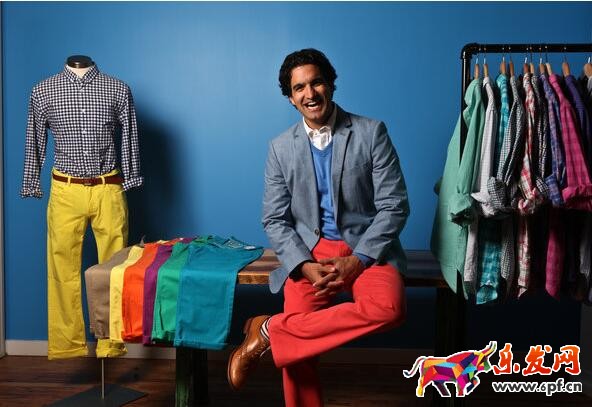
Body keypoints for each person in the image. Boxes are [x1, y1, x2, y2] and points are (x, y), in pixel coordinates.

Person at [227, 48, 409, 406]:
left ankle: (269, 330)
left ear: (331, 85)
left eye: (317, 83)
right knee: (298, 352)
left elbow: (395, 205)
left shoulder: (371, 132)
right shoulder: (280, 148)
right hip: (311, 253)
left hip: (368, 248)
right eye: (299, 88)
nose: (310, 94)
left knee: (389, 309)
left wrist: (359, 259)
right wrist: (303, 264)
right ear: (290, 97)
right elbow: (275, 218)